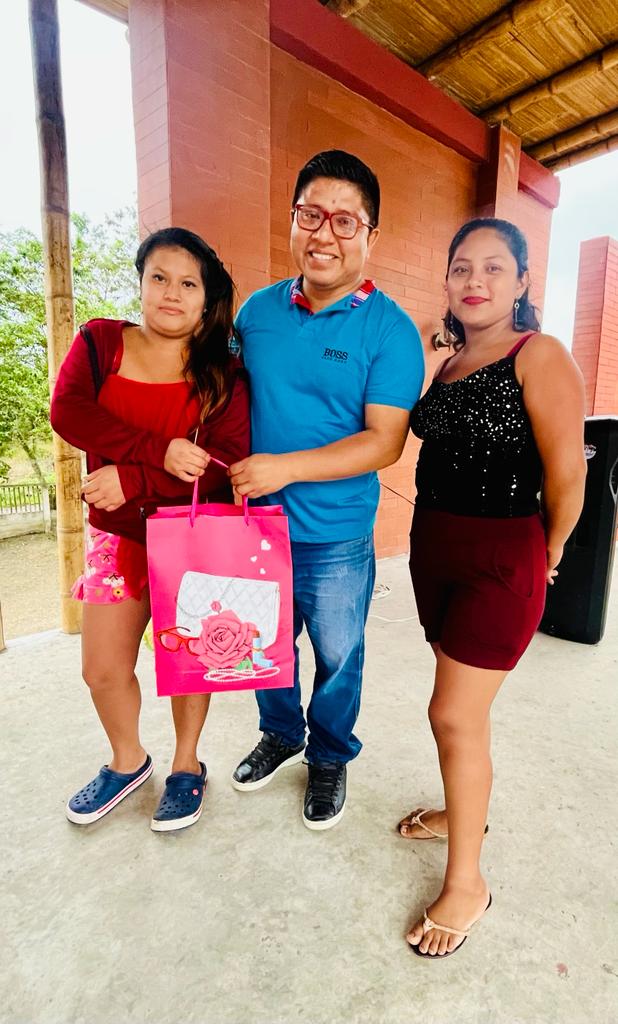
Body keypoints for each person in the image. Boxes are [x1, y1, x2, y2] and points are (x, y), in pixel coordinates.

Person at [399, 217, 586, 957]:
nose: (475, 280)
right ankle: (462, 811)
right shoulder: (448, 361)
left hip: (501, 557)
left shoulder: (539, 354)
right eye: (461, 268)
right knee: (464, 713)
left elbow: (568, 475)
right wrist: (427, 343)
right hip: (434, 549)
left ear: (522, 282)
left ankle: (467, 883)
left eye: (494, 268)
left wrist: (550, 550)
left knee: (450, 713)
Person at [229, 150, 424, 830]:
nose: (325, 234)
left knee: (339, 657)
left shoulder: (390, 330)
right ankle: (282, 734)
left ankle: (331, 754)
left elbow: (385, 441)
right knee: (264, 646)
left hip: (336, 534)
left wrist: (284, 468)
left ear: (371, 236)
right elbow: (215, 398)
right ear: (292, 221)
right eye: (311, 214)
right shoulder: (256, 313)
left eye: (345, 221)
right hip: (253, 530)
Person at [50, 227, 250, 832]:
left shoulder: (224, 373)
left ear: (206, 300)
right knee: (102, 668)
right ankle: (128, 760)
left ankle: (187, 764)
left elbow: (223, 464)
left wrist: (135, 478)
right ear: (140, 282)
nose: (171, 293)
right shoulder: (100, 342)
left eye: (188, 284)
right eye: (159, 277)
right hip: (116, 537)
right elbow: (69, 412)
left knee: (190, 662)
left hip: (190, 536)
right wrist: (156, 452)